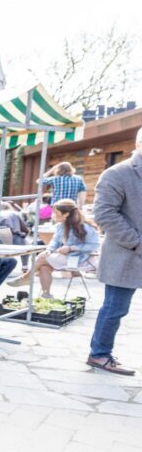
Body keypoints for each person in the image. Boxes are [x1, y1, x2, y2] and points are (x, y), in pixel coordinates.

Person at [85, 127, 142, 376]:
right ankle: (99, 354)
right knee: (115, 308)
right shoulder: (117, 173)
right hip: (126, 254)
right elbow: (105, 215)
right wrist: (137, 242)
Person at [9, 199, 99, 297]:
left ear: (66, 214)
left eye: (56, 212)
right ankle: (46, 294)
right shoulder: (61, 226)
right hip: (68, 258)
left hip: (82, 259)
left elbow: (94, 245)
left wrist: (71, 248)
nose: (53, 215)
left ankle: (26, 277)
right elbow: (55, 241)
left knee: (42, 258)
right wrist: (49, 250)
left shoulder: (85, 226)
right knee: (44, 266)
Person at [0, 202, 31, 271]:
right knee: (26, 247)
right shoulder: (15, 213)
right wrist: (26, 233)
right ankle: (25, 265)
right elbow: (23, 226)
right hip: (13, 236)